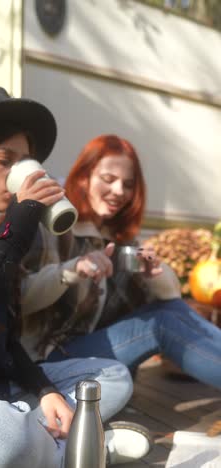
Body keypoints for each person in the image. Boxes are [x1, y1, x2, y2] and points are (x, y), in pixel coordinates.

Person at [0, 92, 151, 468]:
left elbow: (6, 340)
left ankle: (42, 433)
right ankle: (83, 446)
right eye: (3, 161)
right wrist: (18, 224)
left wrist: (45, 391)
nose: (15, 174)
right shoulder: (4, 232)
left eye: (23, 162)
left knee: (109, 377)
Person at [21, 134, 221, 393]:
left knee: (169, 311)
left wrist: (153, 272)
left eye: (127, 185)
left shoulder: (118, 239)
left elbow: (171, 299)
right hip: (46, 361)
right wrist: (72, 270)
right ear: (83, 177)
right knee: (161, 325)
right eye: (108, 179)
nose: (119, 191)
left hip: (97, 354)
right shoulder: (52, 227)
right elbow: (22, 298)